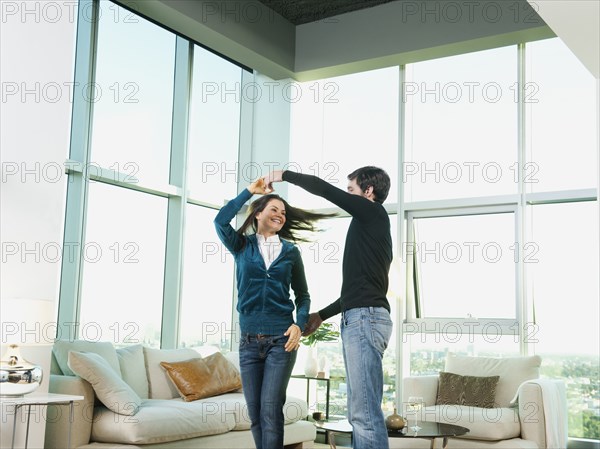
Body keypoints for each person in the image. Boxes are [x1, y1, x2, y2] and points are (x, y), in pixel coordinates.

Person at [263, 167, 393, 449]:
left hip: (365, 319)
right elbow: (358, 291)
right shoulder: (370, 227)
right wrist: (321, 316)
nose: (347, 196)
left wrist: (282, 175)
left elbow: (323, 188)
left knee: (364, 412)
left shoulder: (372, 213)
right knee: (362, 409)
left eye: (351, 190)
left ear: (368, 192)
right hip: (362, 316)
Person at [213, 178, 332, 449]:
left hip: (282, 340)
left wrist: (299, 325)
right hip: (249, 343)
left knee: (270, 409)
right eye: (274, 209)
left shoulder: (291, 252)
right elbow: (220, 221)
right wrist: (249, 192)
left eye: (283, 212)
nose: (280, 215)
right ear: (258, 214)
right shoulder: (242, 246)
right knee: (255, 415)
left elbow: (303, 296)